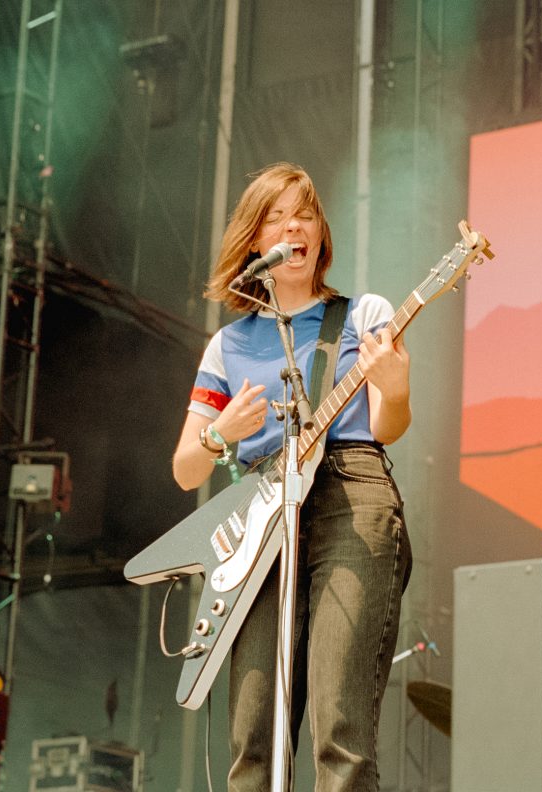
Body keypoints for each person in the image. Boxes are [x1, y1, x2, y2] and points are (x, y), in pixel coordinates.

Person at [173, 162, 413, 790]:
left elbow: (388, 428)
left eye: (304, 214)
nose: (294, 226)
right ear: (256, 240)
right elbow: (185, 468)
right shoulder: (225, 346)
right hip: (258, 519)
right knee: (253, 735)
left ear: (320, 231)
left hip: (349, 495)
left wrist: (396, 390)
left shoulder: (362, 314)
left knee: (340, 728)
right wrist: (217, 435)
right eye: (277, 216)